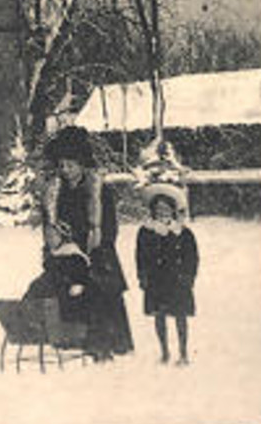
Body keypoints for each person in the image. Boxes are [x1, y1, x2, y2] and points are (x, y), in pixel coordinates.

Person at [39, 125, 135, 362]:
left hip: (97, 251)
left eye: (70, 165)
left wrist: (95, 247)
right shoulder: (55, 192)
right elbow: (49, 223)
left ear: (81, 164)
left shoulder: (98, 191)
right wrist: (57, 242)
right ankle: (76, 338)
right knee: (63, 288)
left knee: (100, 294)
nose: (66, 170)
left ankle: (107, 344)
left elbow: (109, 226)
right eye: (62, 165)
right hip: (69, 253)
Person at [135, 183, 200, 365]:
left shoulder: (183, 233)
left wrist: (188, 277)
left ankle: (183, 353)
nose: (162, 212)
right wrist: (142, 276)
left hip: (177, 280)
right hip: (156, 280)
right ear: (153, 211)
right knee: (159, 315)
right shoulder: (146, 231)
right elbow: (139, 256)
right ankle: (164, 352)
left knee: (180, 316)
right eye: (158, 209)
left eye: (166, 208)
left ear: (173, 210)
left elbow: (192, 258)